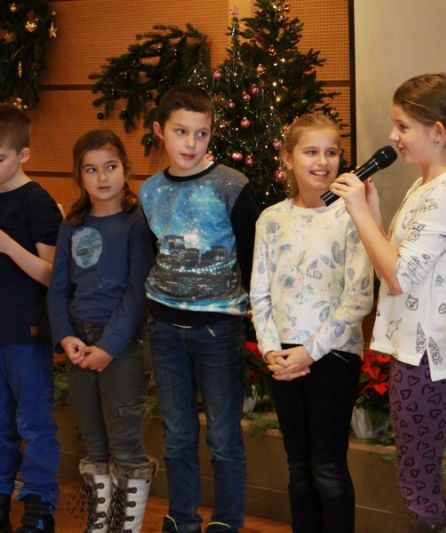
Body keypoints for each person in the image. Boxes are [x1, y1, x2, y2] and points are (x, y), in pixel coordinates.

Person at [330, 72, 446, 532]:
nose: (393, 137)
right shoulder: (423, 186)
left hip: (428, 351)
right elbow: (392, 266)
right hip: (412, 347)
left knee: (418, 476)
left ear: (437, 131)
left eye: (402, 126)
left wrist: (359, 212)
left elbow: (398, 278)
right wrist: (373, 214)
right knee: (416, 469)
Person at [139, 85, 261, 533]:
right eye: (181, 132)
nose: (191, 143)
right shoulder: (150, 191)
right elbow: (152, 253)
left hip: (219, 329)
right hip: (165, 328)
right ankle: (182, 518)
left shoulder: (232, 185)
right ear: (160, 131)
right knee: (177, 436)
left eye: (201, 133)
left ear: (211, 133)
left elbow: (253, 254)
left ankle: (227, 521)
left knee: (224, 436)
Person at [250, 112, 373, 532]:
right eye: (311, 152)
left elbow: (359, 296)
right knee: (299, 467)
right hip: (284, 359)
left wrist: (310, 352)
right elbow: (260, 294)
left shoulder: (352, 216)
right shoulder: (271, 219)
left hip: (332, 356)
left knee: (327, 467)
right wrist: (272, 350)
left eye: (331, 152)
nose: (322, 162)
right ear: (288, 158)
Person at [47, 129, 156, 532]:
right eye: (91, 170)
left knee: (124, 443)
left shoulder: (135, 223)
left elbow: (137, 291)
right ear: (79, 176)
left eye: (110, 167)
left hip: (120, 346)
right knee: (93, 443)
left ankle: (124, 526)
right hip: (79, 343)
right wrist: (66, 337)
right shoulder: (72, 225)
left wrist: (108, 346)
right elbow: (59, 288)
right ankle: (100, 524)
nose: (102, 177)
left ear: (125, 169)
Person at [0, 104, 62, 533]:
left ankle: (40, 507)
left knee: (34, 424)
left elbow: (53, 274)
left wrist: (8, 246)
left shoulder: (36, 201)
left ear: (23, 155)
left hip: (26, 332)